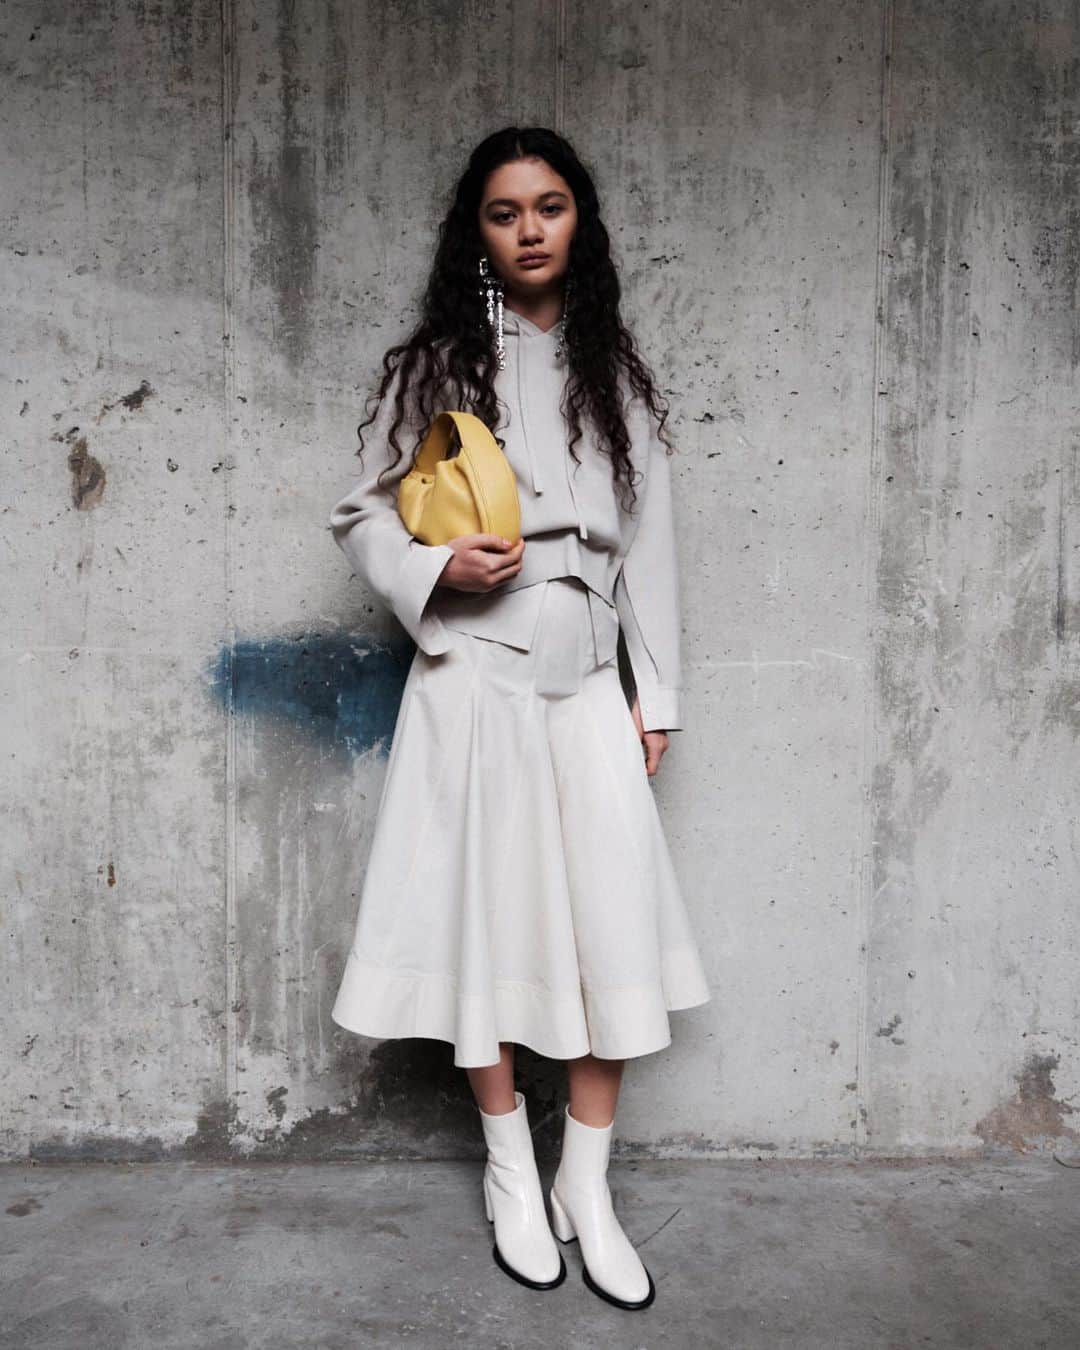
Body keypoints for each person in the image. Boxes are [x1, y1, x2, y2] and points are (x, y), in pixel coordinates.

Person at [327, 126, 711, 1312]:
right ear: (477, 232)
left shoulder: (615, 369)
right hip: (473, 686)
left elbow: (650, 546)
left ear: (579, 222)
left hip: (588, 688)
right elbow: (362, 513)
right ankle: (508, 1169)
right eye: (505, 210)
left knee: (610, 940)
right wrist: (440, 570)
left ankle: (583, 1189)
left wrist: (659, 695)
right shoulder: (443, 365)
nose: (531, 226)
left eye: (551, 205)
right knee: (485, 929)